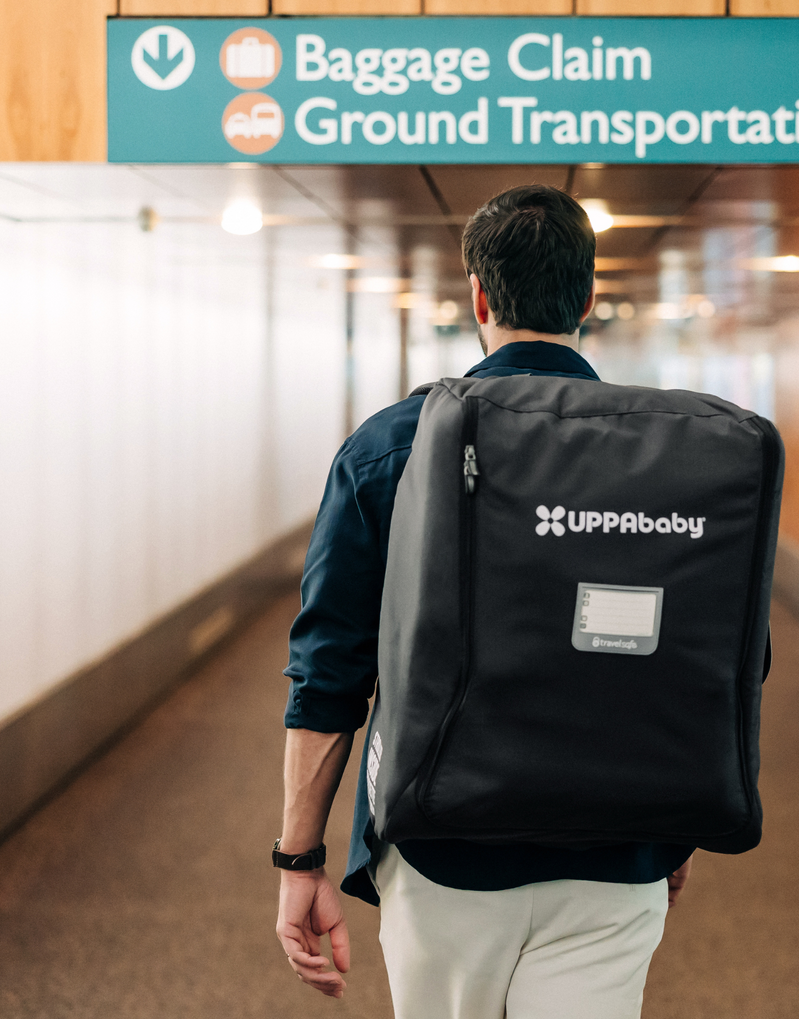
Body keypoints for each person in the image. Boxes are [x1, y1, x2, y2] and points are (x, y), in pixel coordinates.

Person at [275, 185, 694, 1019]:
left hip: (443, 844)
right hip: (615, 842)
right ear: (586, 298)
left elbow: (329, 673)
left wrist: (299, 858)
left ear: (478, 296)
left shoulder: (393, 448)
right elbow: (701, 657)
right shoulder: (671, 454)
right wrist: (674, 819)